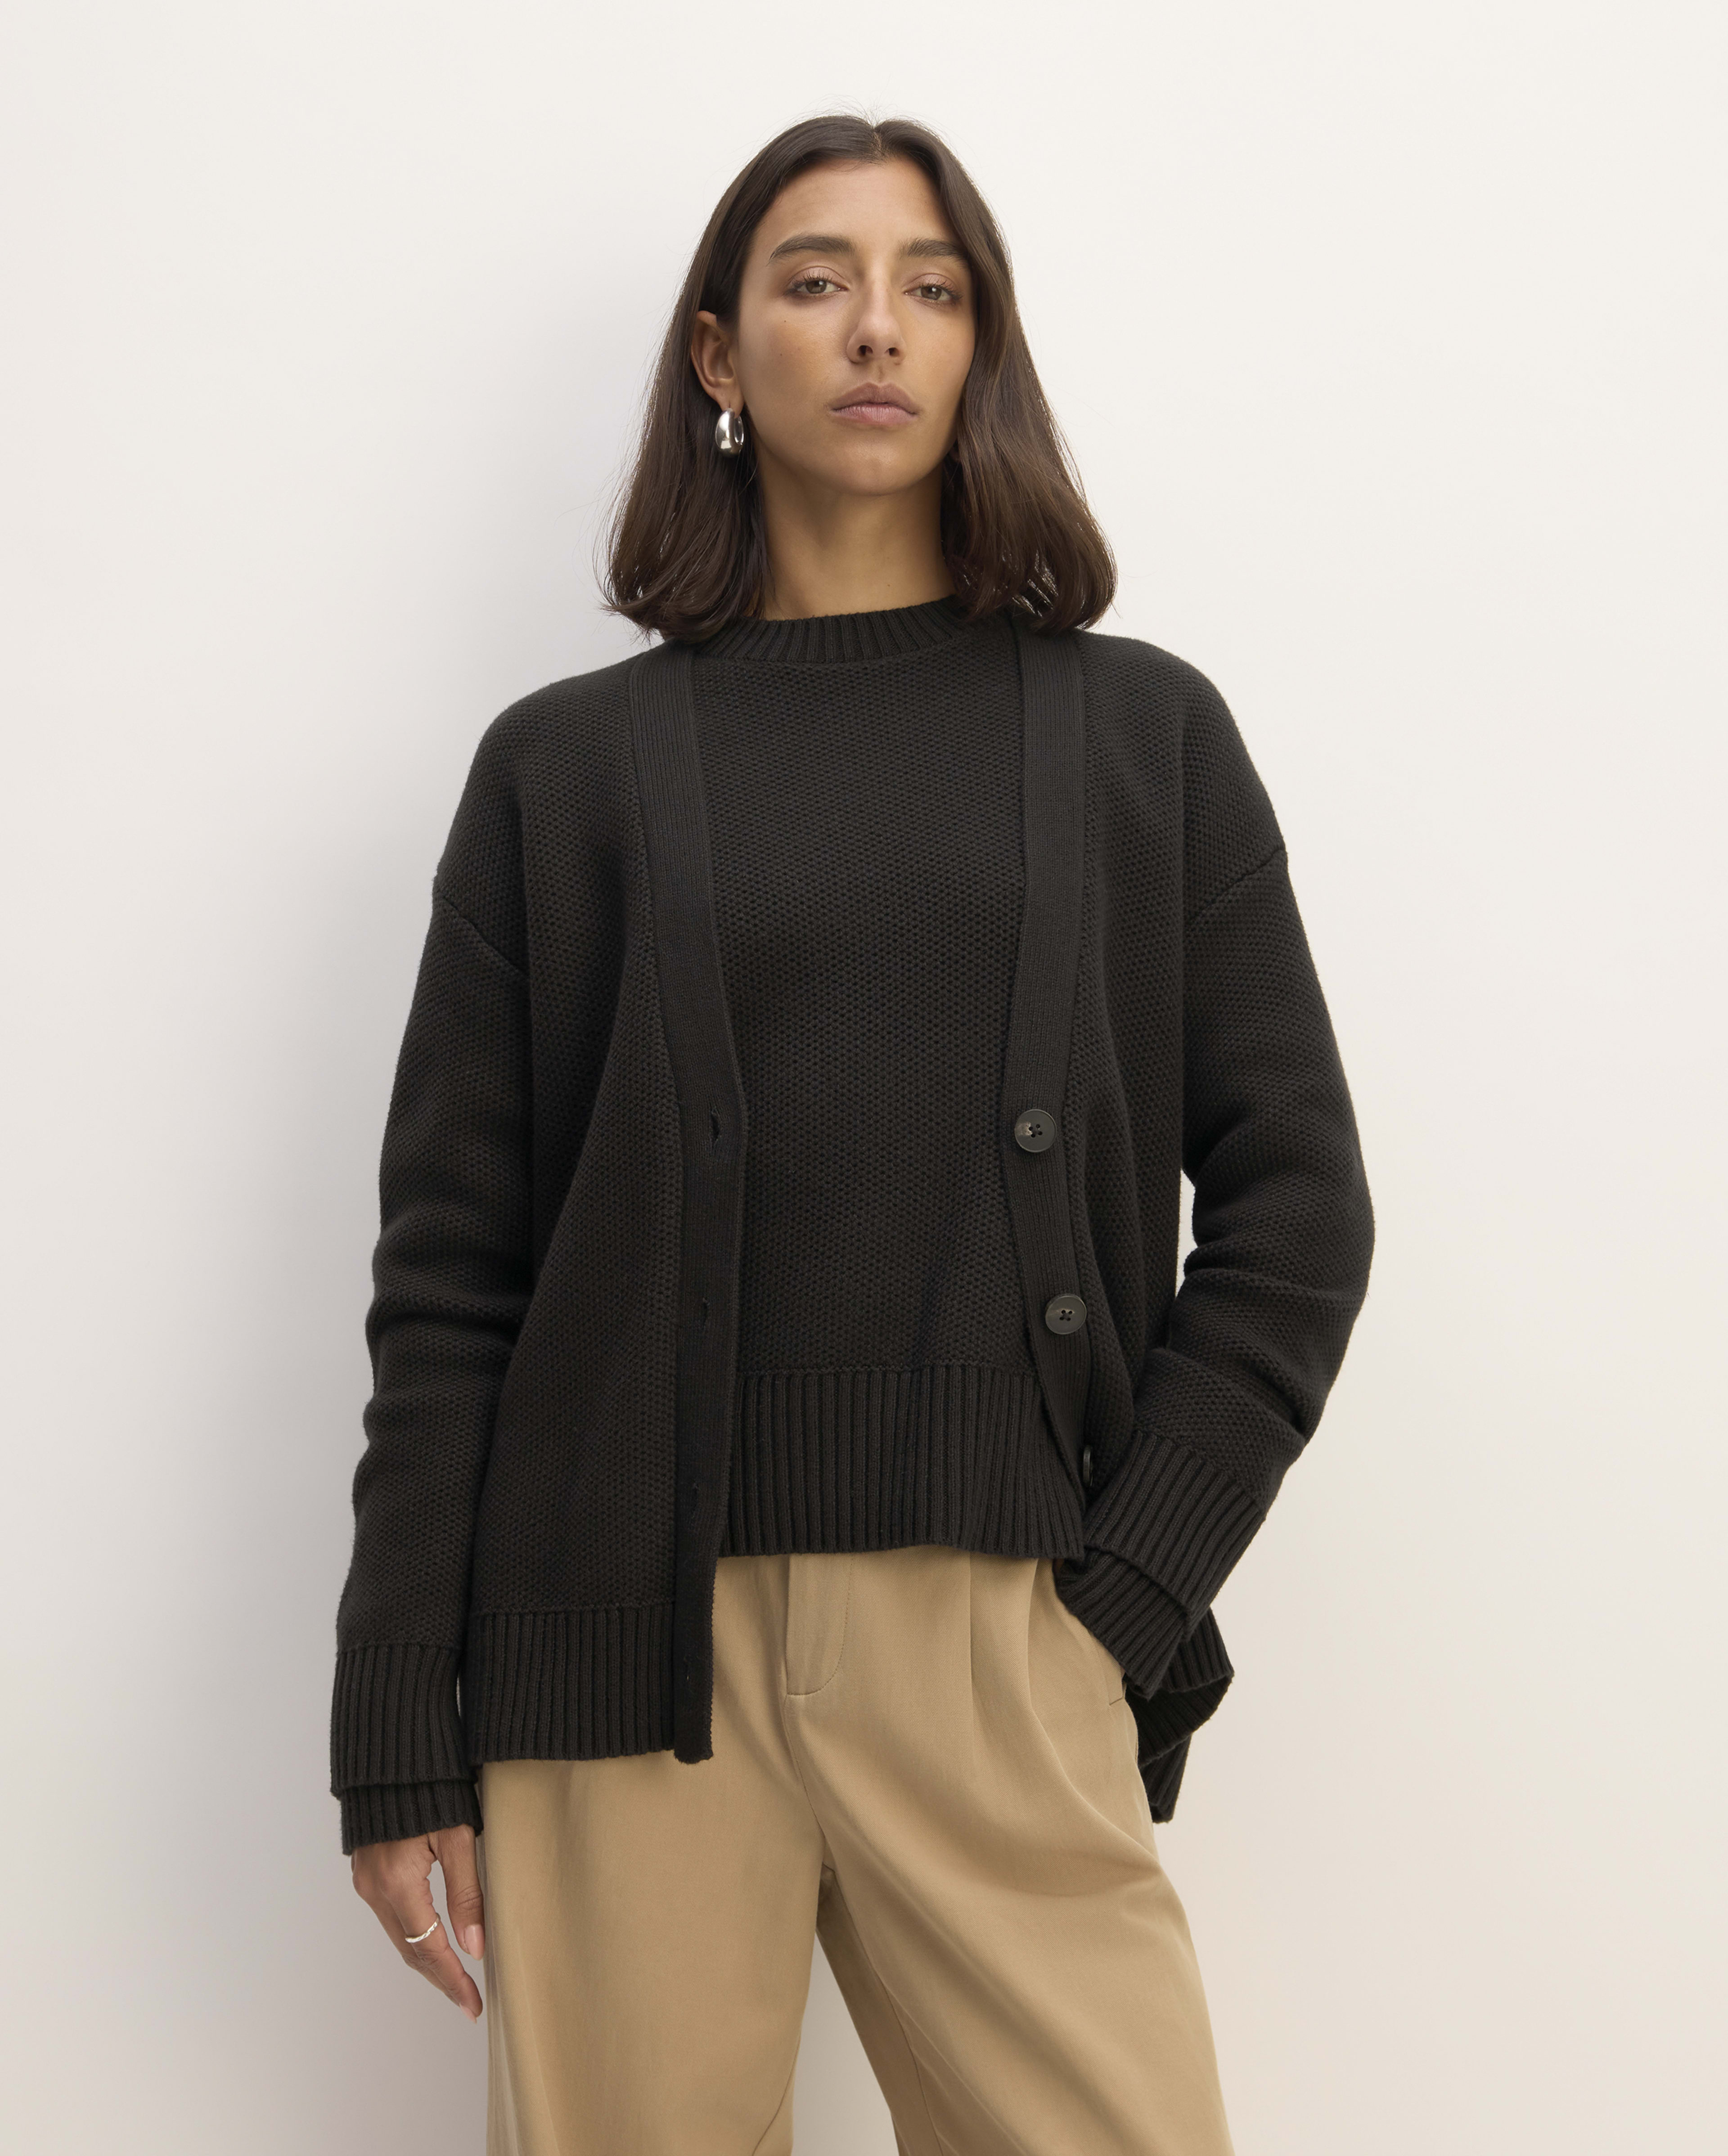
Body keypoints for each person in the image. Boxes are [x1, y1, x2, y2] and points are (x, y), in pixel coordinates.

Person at [331, 111, 1374, 2156]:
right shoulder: (565, 774)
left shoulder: (1141, 735)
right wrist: (397, 1730)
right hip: (611, 1649)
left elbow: (1298, 1205)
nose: (876, 327)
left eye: (931, 286)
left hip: (1006, 1626)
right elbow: (450, 1278)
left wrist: (1122, 1598)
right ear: (722, 357)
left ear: (982, 345)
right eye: (815, 281)